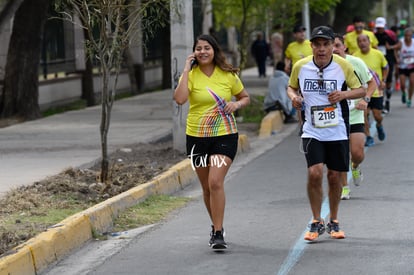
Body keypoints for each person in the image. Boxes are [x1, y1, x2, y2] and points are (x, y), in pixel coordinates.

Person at [287, 26, 365, 241]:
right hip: (311, 130)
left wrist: (343, 94)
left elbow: (362, 90)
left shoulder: (343, 66)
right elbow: (291, 87)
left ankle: (334, 219)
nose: (321, 49)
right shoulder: (300, 66)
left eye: (326, 44)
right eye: (317, 44)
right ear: (311, 45)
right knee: (314, 173)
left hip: (337, 129)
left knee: (333, 176)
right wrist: (294, 98)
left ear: (333, 46)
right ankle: (315, 220)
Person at [174, 34, 250, 250]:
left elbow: (245, 97)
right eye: (198, 48)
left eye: (207, 48)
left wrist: (236, 105)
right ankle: (217, 225)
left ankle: (218, 233)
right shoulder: (190, 75)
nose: (203, 52)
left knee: (215, 182)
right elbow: (179, 99)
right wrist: (186, 70)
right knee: (207, 188)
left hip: (224, 135)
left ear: (214, 50)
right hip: (197, 137)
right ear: (194, 53)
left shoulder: (228, 75)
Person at [333, 34, 377, 200]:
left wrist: (366, 100)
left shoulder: (356, 63)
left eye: (338, 45)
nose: (335, 49)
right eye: (333, 46)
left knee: (357, 153)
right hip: (336, 117)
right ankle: (344, 187)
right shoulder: (326, 67)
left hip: (355, 113)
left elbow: (372, 83)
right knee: (341, 153)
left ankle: (356, 165)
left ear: (344, 47)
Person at [353, 34, 389, 147]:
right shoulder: (355, 57)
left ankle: (379, 125)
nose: (362, 43)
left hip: (376, 90)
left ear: (369, 42)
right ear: (357, 44)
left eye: (364, 40)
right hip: (362, 91)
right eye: (360, 41)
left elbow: (386, 67)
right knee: (364, 114)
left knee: (377, 115)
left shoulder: (377, 54)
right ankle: (368, 136)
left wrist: (383, 80)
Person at [374, 17, 398, 113]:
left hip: (388, 60)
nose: (380, 29)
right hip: (378, 62)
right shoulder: (373, 36)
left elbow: (398, 45)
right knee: (380, 82)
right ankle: (382, 103)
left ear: (384, 26)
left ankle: (387, 100)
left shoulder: (390, 35)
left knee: (388, 82)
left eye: (381, 27)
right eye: (378, 27)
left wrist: (390, 47)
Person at [395, 27, 414, 107]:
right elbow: (395, 50)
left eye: (409, 36)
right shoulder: (401, 42)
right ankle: (403, 93)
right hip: (402, 66)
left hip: (412, 65)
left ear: (412, 35)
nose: (407, 37)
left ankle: (409, 99)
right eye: (406, 35)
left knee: (412, 81)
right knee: (402, 84)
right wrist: (397, 58)